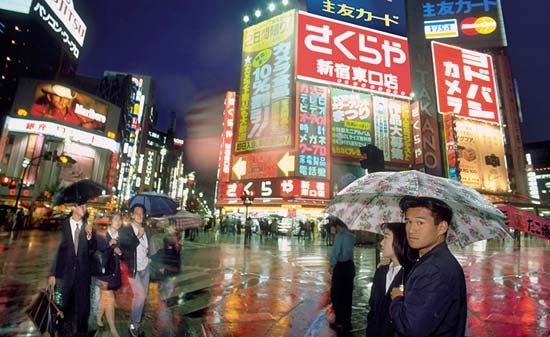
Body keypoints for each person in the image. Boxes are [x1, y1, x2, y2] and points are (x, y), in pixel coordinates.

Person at [389, 196, 467, 337]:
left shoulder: (434, 270)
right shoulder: (432, 260)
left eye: (420, 222)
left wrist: (397, 299)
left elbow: (410, 328)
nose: (411, 229)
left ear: (441, 227)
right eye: (408, 221)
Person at [48, 200, 96, 337]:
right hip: (64, 275)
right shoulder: (62, 226)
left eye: (86, 206)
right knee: (63, 310)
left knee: (82, 310)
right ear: (74, 207)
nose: (85, 208)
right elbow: (56, 250)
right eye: (82, 206)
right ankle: (61, 332)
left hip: (82, 276)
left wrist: (89, 236)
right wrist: (52, 273)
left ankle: (81, 333)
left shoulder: (87, 227)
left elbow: (92, 251)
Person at [366, 222, 417, 337]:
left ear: (399, 240)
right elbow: (373, 308)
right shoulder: (381, 271)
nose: (381, 243)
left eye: (386, 237)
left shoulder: (412, 275)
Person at [118, 204, 153, 337]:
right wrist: (137, 237)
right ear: (132, 215)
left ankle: (135, 324)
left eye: (142, 213)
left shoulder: (146, 230)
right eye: (137, 212)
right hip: (133, 269)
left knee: (141, 298)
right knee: (140, 296)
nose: (140, 215)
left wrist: (149, 257)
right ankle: (133, 324)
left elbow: (148, 247)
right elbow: (125, 249)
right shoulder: (126, 230)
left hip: (145, 268)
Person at [93, 214, 123, 337]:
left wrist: (121, 252)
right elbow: (99, 255)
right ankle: (112, 328)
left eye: (120, 220)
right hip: (103, 274)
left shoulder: (121, 238)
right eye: (116, 219)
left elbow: (124, 256)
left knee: (104, 299)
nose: (119, 222)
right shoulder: (102, 236)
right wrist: (110, 246)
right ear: (110, 222)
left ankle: (98, 318)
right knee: (110, 299)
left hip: (114, 274)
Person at [329, 216, 356, 335]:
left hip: (340, 267)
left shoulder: (340, 236)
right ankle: (347, 321)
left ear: (337, 226)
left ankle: (338, 320)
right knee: (347, 294)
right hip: (350, 266)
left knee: (337, 294)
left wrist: (331, 265)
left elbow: (336, 252)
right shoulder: (351, 236)